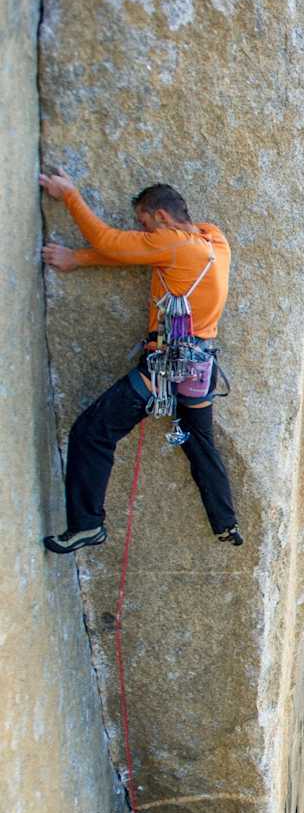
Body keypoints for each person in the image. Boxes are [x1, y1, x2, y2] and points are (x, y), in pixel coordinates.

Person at [39, 169, 242, 552]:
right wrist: (78, 260)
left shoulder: (173, 245)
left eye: (145, 223)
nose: (143, 231)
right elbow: (136, 254)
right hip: (202, 367)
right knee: (199, 442)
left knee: (93, 431)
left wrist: (70, 195)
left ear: (162, 218)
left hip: (166, 364)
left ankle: (86, 525)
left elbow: (111, 243)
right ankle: (225, 521)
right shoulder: (213, 239)